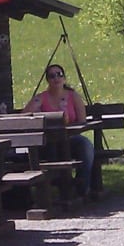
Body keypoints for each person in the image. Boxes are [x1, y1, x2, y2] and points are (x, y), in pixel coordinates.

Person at [21, 63, 95, 197]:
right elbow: (24, 116)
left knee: (86, 146)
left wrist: (69, 126)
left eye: (59, 74)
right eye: (52, 76)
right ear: (48, 80)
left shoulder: (73, 96)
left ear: (64, 78)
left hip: (71, 138)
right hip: (49, 141)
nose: (56, 78)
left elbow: (82, 121)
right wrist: (37, 111)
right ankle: (58, 187)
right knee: (47, 151)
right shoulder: (42, 98)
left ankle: (82, 186)